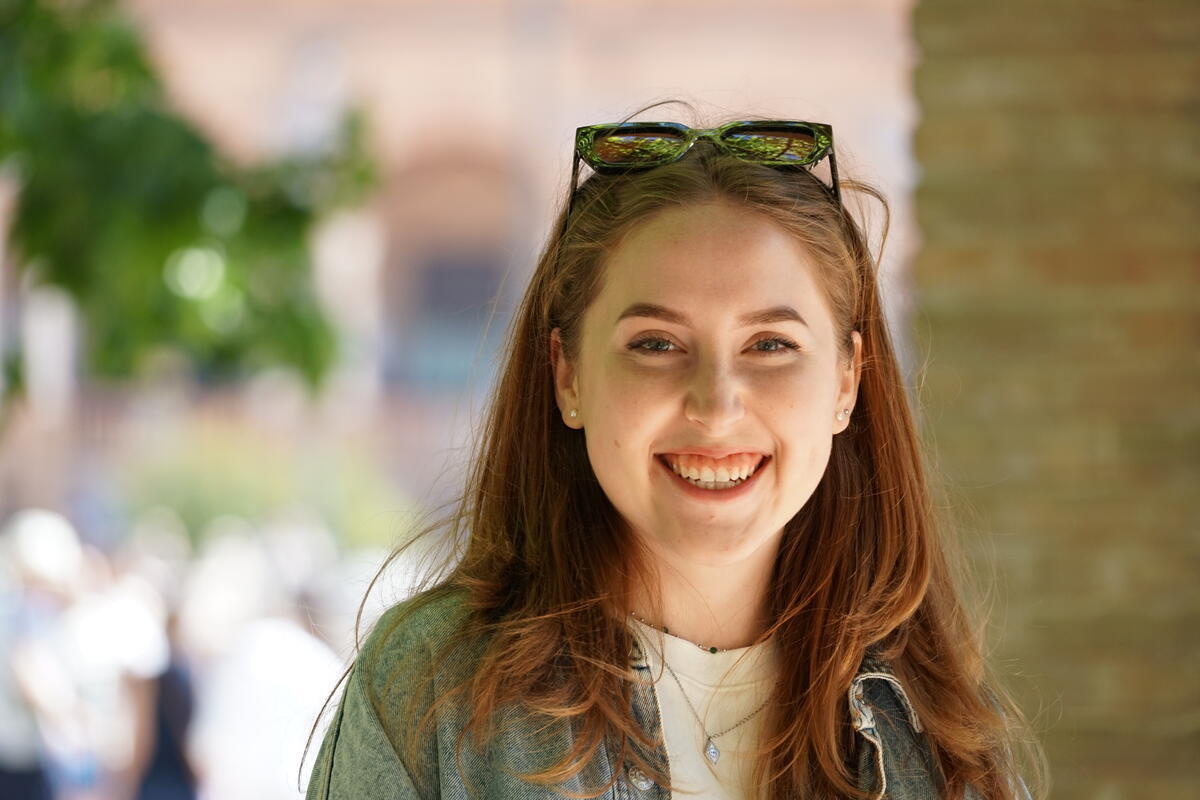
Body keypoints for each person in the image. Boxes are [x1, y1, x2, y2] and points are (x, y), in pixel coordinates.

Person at [302, 100, 1046, 800]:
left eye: (771, 344)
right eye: (655, 344)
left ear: (847, 382)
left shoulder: (941, 731)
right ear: (568, 375)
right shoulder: (431, 691)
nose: (716, 407)